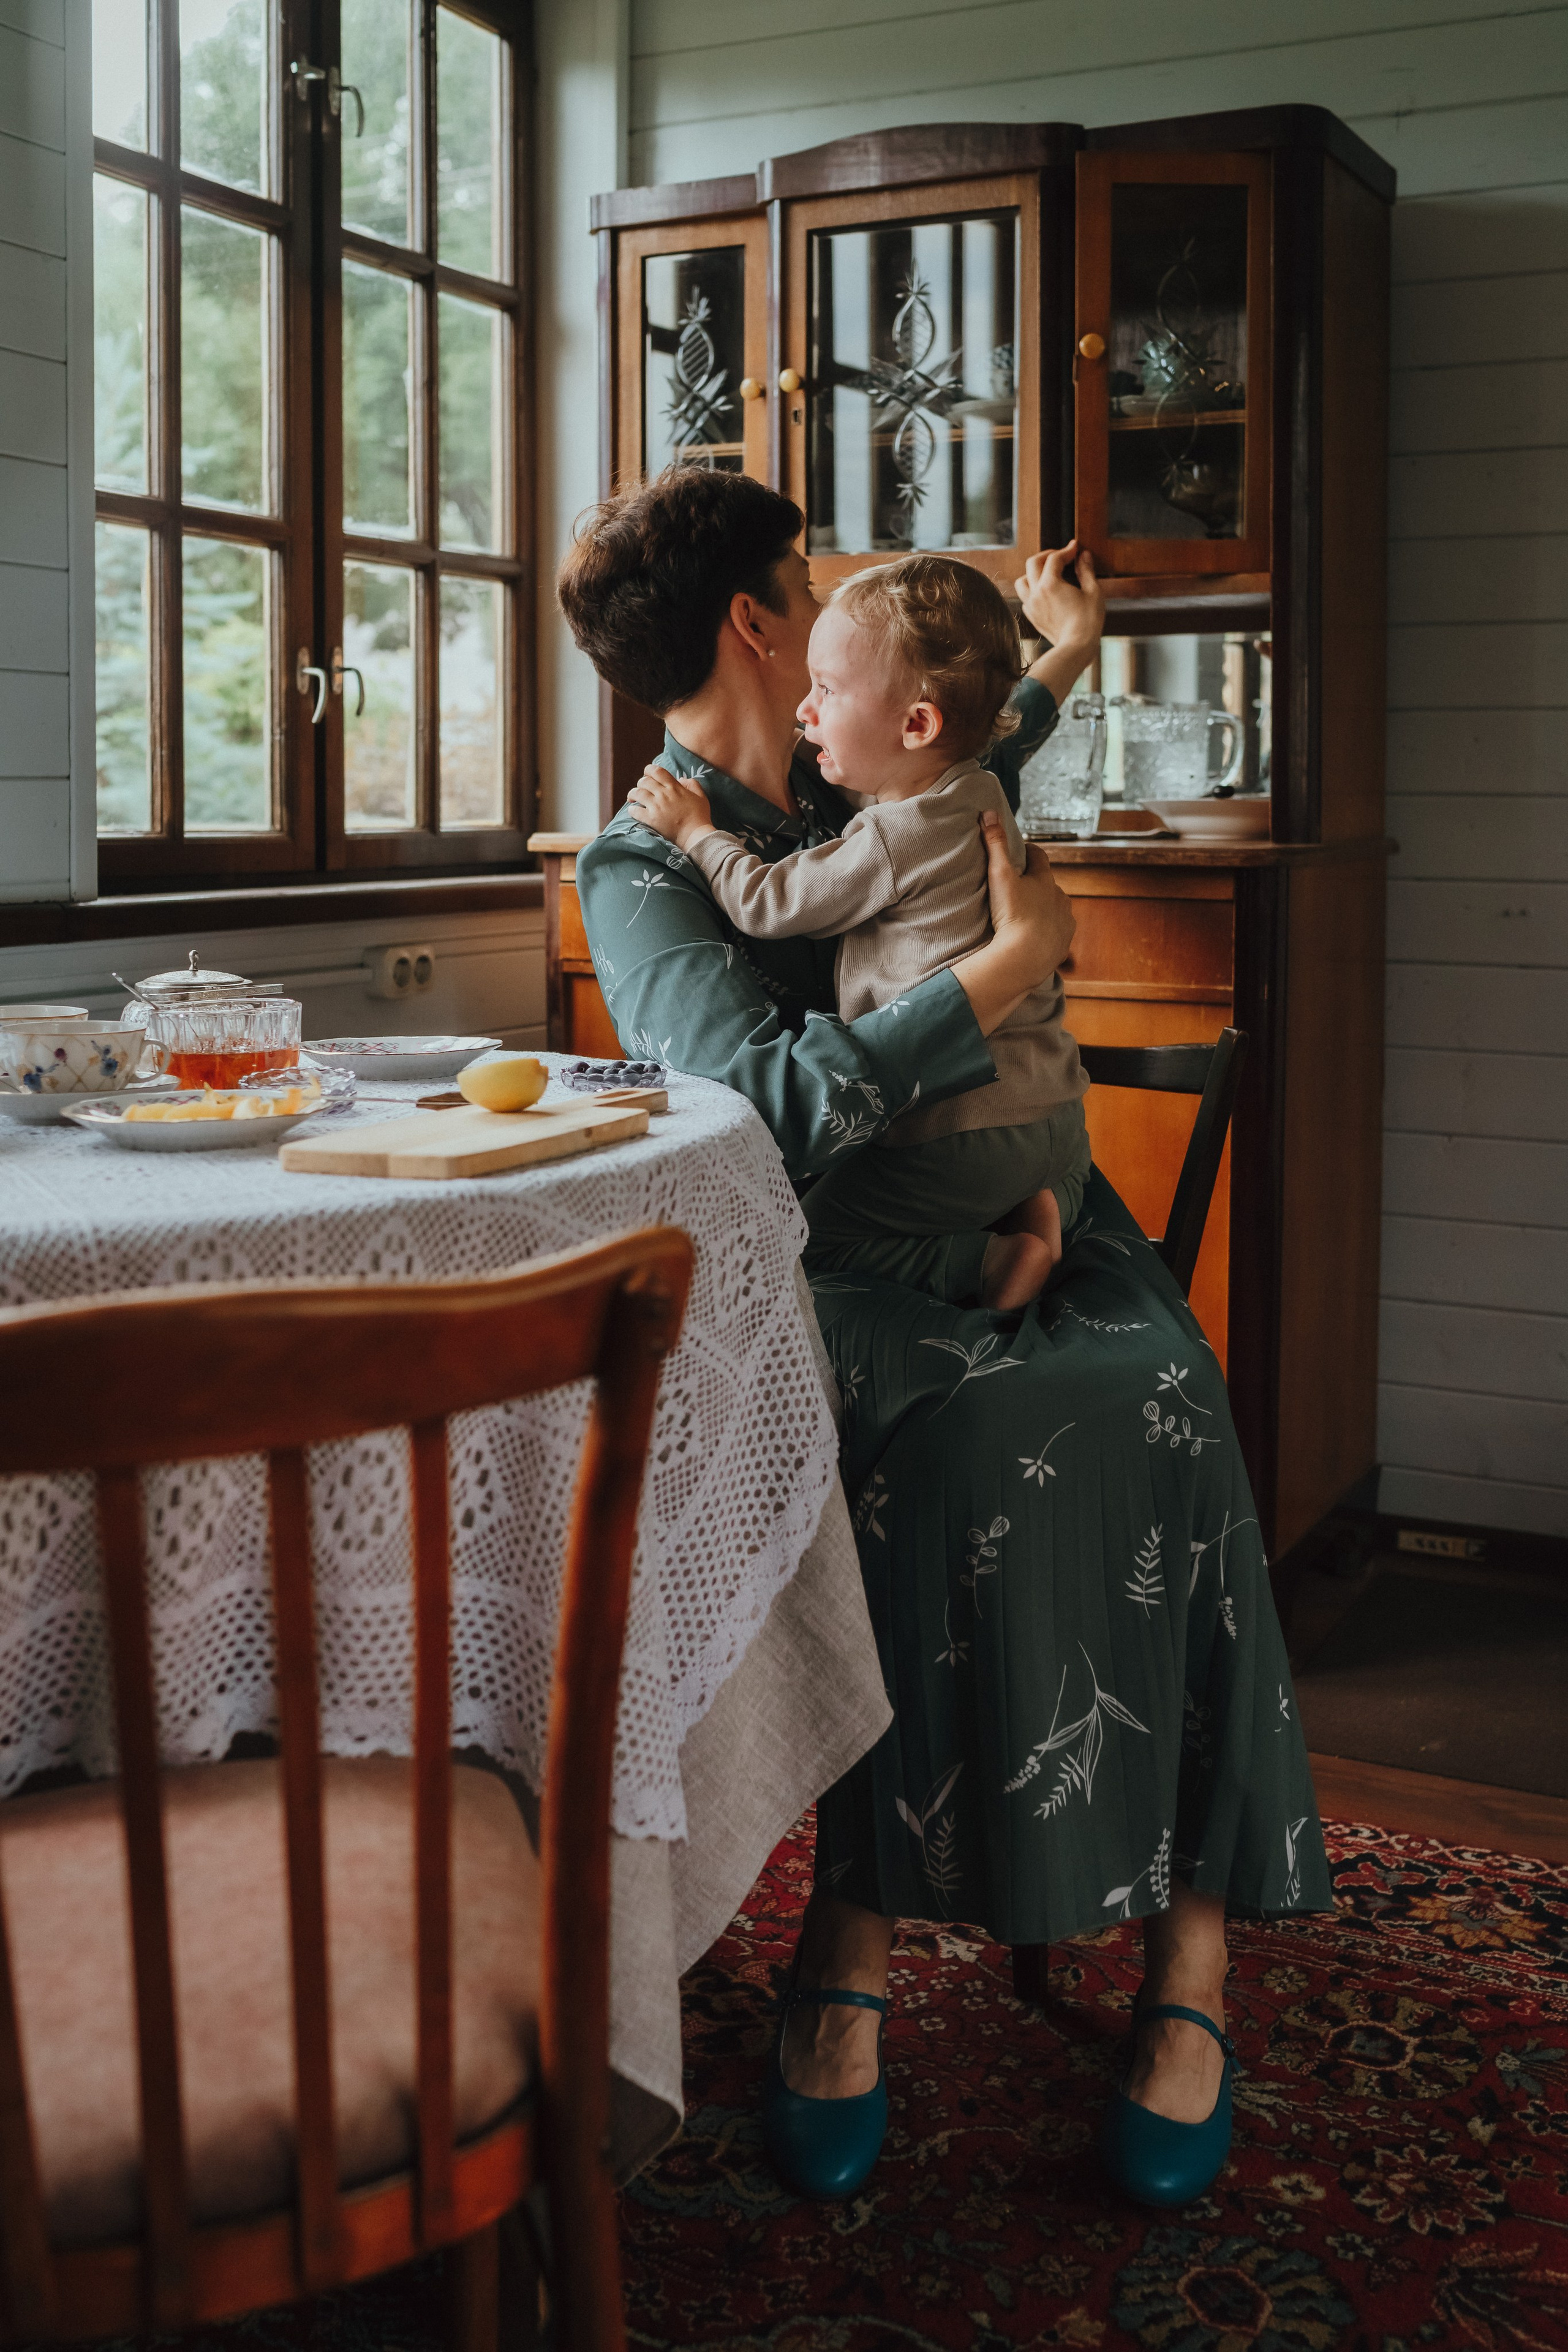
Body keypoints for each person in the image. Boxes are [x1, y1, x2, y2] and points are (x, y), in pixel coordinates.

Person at [559, 466, 1331, 2212]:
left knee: (1176, 1399)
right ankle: (857, 1927)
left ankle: (1193, 1963)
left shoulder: (883, 766)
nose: (829, 606)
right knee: (961, 1450)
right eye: (809, 579)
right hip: (832, 1274)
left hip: (1028, 1224)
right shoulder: (642, 861)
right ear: (763, 622)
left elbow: (954, 744)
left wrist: (1061, 652)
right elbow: (755, 1108)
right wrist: (994, 980)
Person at [624, 552, 1090, 1311]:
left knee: (805, 1240)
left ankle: (986, 1265)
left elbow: (765, 902)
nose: (806, 711)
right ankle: (1037, 1213)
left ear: (917, 724)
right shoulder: (978, 786)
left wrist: (696, 832)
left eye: (827, 690)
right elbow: (1010, 717)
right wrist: (1071, 645)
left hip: (957, 1129)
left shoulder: (889, 833)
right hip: (1056, 1118)